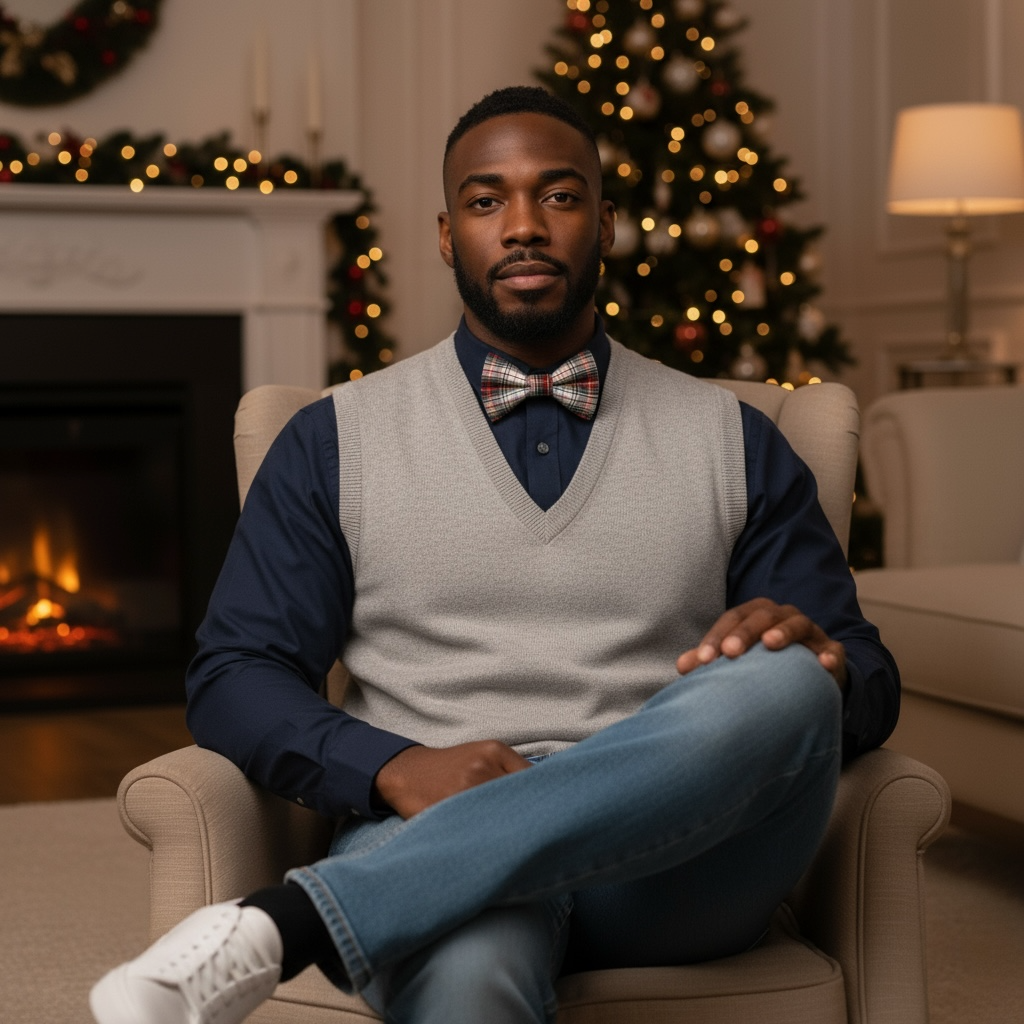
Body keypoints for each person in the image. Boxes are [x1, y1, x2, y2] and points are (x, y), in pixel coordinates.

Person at [90, 85, 898, 1024]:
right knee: (470, 976)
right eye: (486, 201)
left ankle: (299, 922)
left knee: (793, 681)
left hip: (674, 874)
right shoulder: (331, 440)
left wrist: (820, 657)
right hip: (426, 839)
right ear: (446, 233)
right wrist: (394, 768)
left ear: (605, 223)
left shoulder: (738, 437)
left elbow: (868, 677)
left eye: (558, 197)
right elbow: (234, 674)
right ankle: (397, 886)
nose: (523, 226)